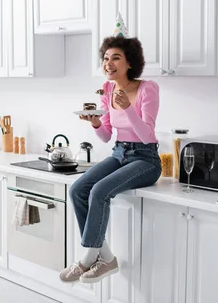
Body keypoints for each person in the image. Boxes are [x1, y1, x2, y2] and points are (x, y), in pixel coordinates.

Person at [59, 35, 161, 284]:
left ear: (129, 63)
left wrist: (127, 107)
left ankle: (88, 258)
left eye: (116, 57)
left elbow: (147, 135)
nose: (108, 63)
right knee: (78, 189)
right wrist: (95, 122)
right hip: (118, 153)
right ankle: (106, 257)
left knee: (100, 191)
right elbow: (105, 136)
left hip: (145, 159)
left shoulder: (147, 89)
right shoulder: (107, 89)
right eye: (106, 58)